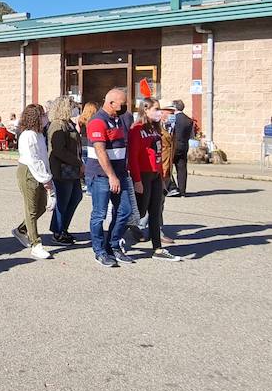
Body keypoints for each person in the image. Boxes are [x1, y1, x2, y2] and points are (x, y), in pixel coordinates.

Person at [86, 88, 136, 267]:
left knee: (125, 211)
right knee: (99, 214)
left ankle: (113, 245)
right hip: (101, 175)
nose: (125, 107)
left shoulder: (119, 120)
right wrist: (112, 176)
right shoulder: (97, 122)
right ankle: (99, 251)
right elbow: (100, 151)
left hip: (120, 174)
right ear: (111, 103)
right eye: (123, 104)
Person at [128, 98, 181, 261]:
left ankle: (158, 249)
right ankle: (116, 237)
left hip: (155, 175)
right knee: (140, 212)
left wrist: (162, 175)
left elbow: (159, 153)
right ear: (146, 110)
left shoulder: (156, 128)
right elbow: (133, 157)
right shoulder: (137, 129)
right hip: (143, 174)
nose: (159, 112)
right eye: (156, 109)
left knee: (155, 212)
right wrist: (137, 181)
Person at [11, 104, 55, 260]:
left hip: (39, 172)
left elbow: (43, 157)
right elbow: (33, 160)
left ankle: (21, 229)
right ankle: (36, 244)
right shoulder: (28, 135)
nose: (45, 117)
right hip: (28, 172)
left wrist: (47, 177)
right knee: (31, 208)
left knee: (41, 207)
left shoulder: (39, 134)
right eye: (42, 115)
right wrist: (45, 179)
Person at [46, 96, 83, 246]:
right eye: (72, 106)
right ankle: (58, 231)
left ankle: (63, 228)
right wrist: (78, 162)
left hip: (72, 169)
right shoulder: (57, 125)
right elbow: (59, 150)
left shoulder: (68, 124)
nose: (75, 109)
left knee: (75, 198)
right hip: (62, 170)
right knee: (63, 201)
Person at [168, 100, 194, 197]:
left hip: (173, 146)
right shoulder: (189, 120)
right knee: (182, 168)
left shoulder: (173, 118)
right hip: (184, 146)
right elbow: (191, 135)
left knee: (167, 167)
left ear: (174, 108)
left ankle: (172, 187)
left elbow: (169, 131)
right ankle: (182, 191)